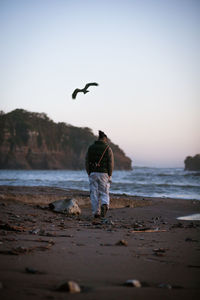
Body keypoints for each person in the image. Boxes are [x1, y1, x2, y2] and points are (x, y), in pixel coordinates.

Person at [85, 130, 114, 219]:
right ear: (104, 139)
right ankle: (105, 204)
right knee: (104, 191)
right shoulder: (107, 148)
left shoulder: (91, 147)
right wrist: (110, 173)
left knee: (93, 193)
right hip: (104, 173)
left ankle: (96, 212)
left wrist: (89, 172)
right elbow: (110, 163)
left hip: (93, 172)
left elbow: (87, 161)